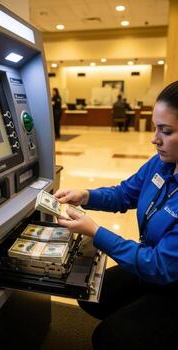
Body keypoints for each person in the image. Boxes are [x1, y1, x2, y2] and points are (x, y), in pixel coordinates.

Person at [55, 81, 178, 349]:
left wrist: (96, 233)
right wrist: (86, 195)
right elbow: (125, 193)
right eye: (155, 127)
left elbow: (159, 265)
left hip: (168, 278)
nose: (153, 138)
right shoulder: (162, 163)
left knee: (109, 338)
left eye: (166, 131)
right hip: (152, 268)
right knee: (90, 292)